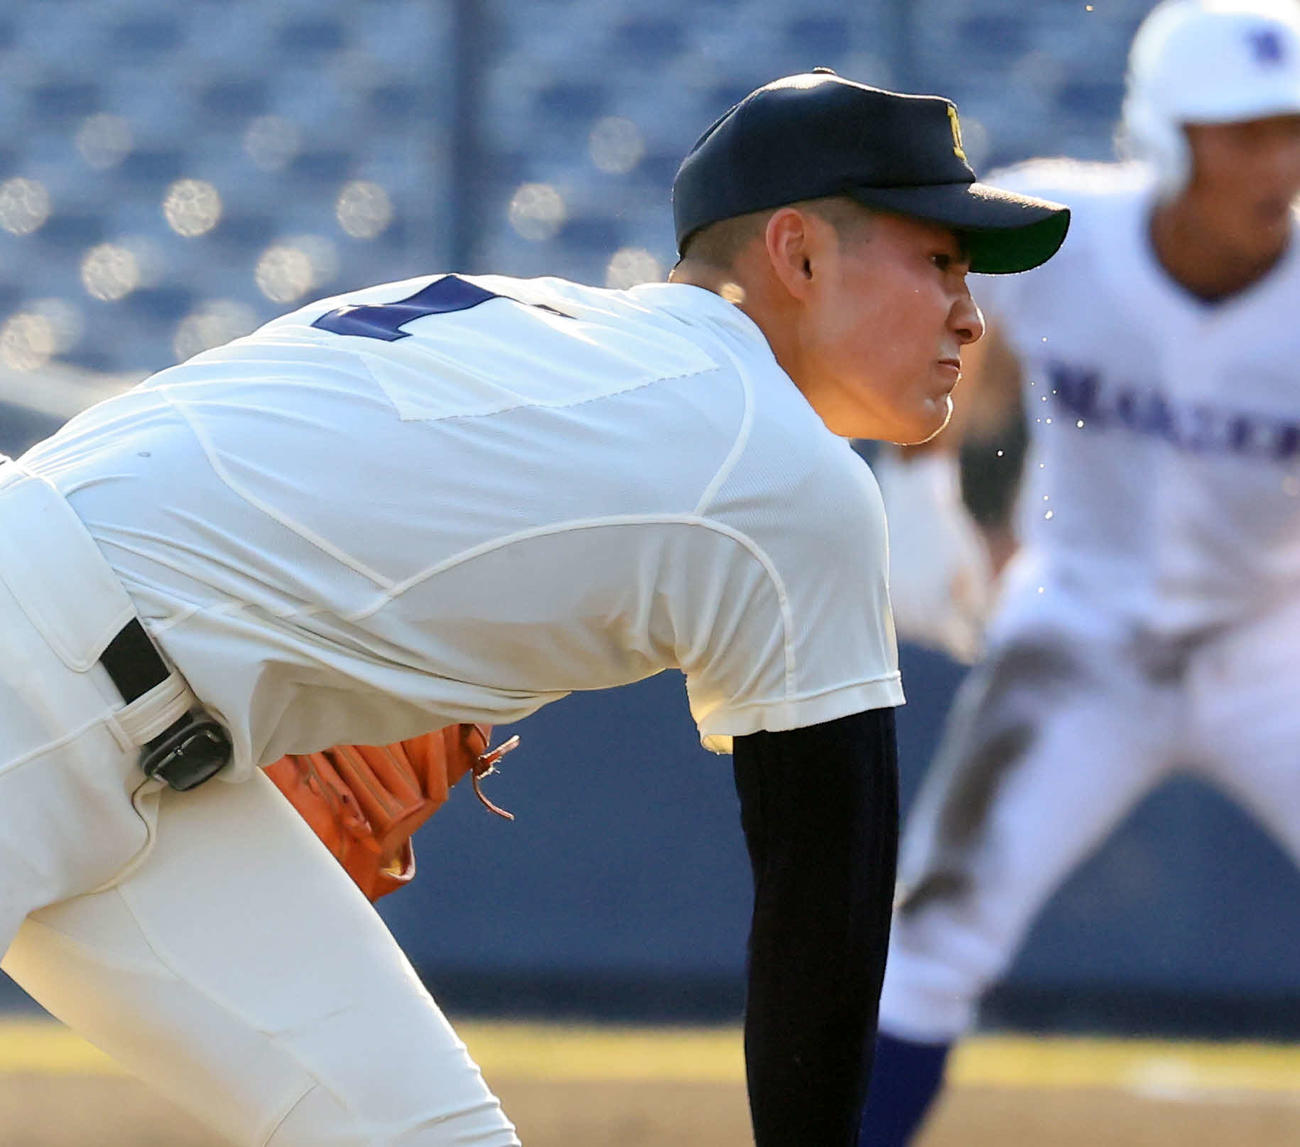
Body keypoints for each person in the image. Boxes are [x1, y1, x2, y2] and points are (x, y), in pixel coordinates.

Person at [0, 70, 1067, 1147]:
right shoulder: (784, 472)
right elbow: (823, 906)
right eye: (938, 261)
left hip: (136, 738)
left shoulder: (568, 335)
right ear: (795, 252)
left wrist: (283, 682)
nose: (971, 315)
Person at [857, 2, 1300, 1143]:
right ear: (1163, 136)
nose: (1278, 161)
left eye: (1292, 128)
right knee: (929, 936)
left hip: (1271, 639)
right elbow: (925, 310)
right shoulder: (1059, 229)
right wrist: (920, 486)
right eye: (1242, 133)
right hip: (1080, 630)